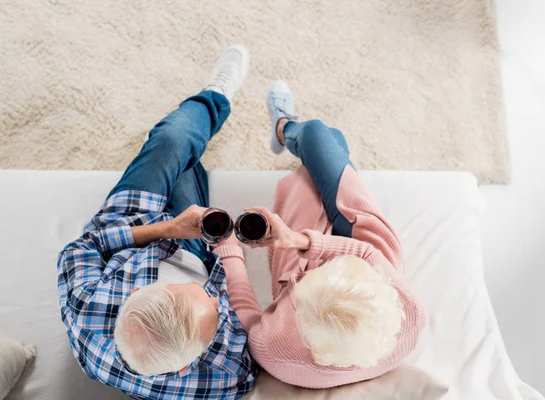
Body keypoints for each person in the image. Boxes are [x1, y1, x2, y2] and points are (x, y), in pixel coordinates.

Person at [57, 45, 257, 400]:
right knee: (182, 155)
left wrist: (167, 230)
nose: (216, 301)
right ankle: (191, 140)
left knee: (170, 138)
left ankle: (216, 94)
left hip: (132, 225)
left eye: (196, 293)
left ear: (136, 291)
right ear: (186, 367)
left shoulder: (88, 317)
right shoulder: (225, 376)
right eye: (215, 307)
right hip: (200, 253)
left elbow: (82, 247)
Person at [213, 80, 426, 389]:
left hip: (296, 268)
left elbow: (243, 303)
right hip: (366, 243)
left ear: (302, 325)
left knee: (312, 159)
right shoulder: (411, 317)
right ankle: (284, 128)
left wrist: (228, 245)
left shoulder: (275, 350)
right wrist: (298, 240)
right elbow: (366, 255)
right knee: (319, 136)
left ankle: (287, 129)